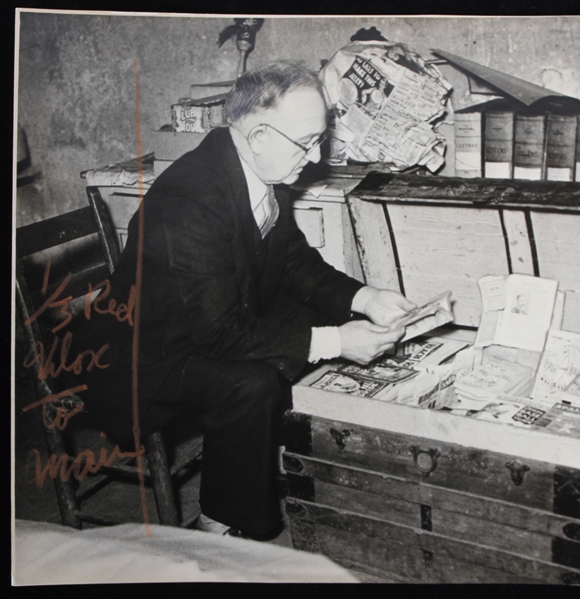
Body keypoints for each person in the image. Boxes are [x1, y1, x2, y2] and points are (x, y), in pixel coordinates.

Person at [67, 62, 415, 539]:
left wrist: (365, 297)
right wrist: (336, 341)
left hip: (201, 322)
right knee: (253, 384)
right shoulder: (190, 201)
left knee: (319, 320)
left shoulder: (253, 167)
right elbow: (219, 334)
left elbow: (293, 261)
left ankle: (266, 453)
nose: (315, 159)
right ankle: (221, 522)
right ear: (258, 135)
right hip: (141, 355)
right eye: (307, 142)